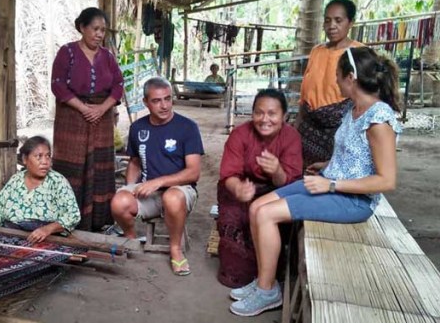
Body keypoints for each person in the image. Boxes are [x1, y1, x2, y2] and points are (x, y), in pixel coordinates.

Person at [229, 47, 401, 316]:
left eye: (337, 75)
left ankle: (266, 292)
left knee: (266, 215)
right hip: (330, 181)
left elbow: (386, 180)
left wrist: (332, 184)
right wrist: (330, 167)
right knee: (256, 206)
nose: (334, 81)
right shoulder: (354, 109)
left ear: (351, 77)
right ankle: (266, 280)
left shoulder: (379, 120)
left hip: (353, 201)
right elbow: (354, 155)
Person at [111, 77, 204, 276]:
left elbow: (193, 172)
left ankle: (175, 250)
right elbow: (135, 161)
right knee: (119, 202)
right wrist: (129, 188)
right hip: (149, 192)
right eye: (156, 100)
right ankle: (132, 239)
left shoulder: (188, 127)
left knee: (171, 196)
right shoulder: (138, 128)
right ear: (146, 102)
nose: (164, 105)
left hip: (181, 190)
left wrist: (160, 181)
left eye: (168, 99)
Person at [217, 89, 303, 288]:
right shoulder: (240, 134)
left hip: (277, 190)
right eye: (259, 112)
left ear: (284, 116)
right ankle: (246, 276)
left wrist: (277, 171)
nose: (265, 119)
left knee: (272, 216)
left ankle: (269, 279)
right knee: (235, 267)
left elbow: (290, 182)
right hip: (242, 188)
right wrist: (238, 188)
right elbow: (229, 174)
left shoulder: (292, 138)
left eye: (272, 113)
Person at [51, 7, 124, 231]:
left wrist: (102, 109)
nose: (100, 34)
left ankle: (97, 221)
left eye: (103, 30)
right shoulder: (67, 52)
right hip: (71, 118)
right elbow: (58, 85)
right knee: (72, 168)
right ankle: (65, 220)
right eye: (95, 29)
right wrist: (83, 108)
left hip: (101, 119)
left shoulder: (108, 57)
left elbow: (118, 85)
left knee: (99, 167)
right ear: (82, 27)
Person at [295, 0, 364, 167]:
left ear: (351, 23)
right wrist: (297, 124)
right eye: (327, 20)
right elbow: (306, 91)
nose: (332, 25)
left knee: (332, 177)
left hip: (338, 130)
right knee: (304, 176)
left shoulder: (359, 53)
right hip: (308, 127)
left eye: (338, 20)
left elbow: (365, 96)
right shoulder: (317, 51)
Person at [0, 136, 81, 242]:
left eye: (48, 156)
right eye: (39, 156)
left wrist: (47, 229)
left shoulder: (57, 181)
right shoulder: (16, 180)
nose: (45, 162)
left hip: (45, 238)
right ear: (25, 159)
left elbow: (73, 215)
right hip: (12, 232)